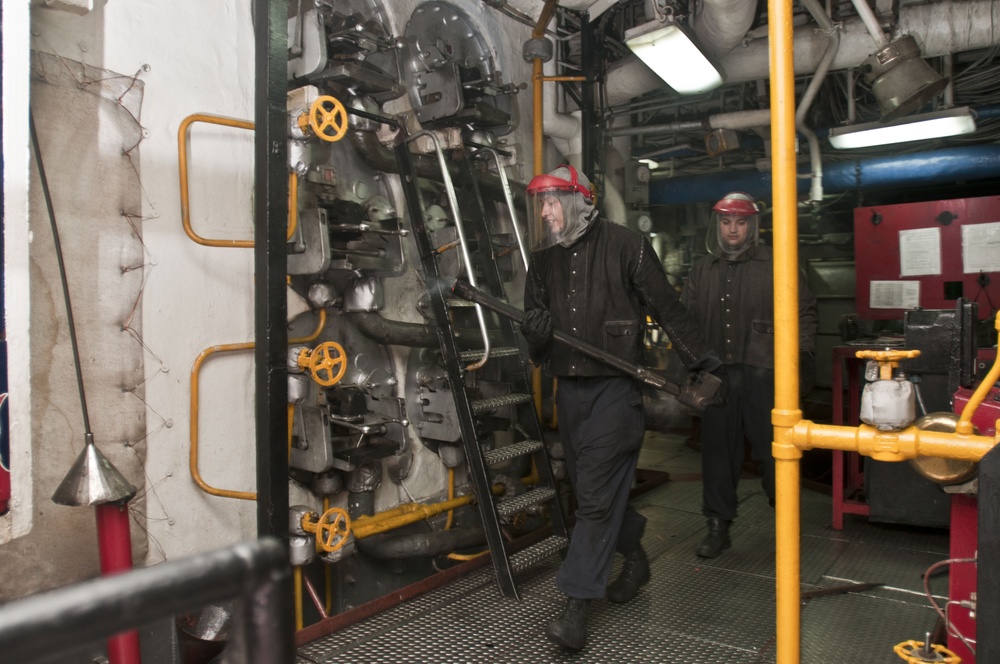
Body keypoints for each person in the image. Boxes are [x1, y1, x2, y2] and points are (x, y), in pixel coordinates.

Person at [520, 165, 724, 651]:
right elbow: (535, 341)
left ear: (576, 201)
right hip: (568, 392)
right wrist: (535, 335)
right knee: (589, 487)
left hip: (617, 389)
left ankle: (574, 608)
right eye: (542, 204)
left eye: (552, 202)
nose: (545, 213)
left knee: (591, 498)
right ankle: (634, 558)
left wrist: (703, 366)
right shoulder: (543, 262)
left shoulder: (626, 245)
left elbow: (668, 309)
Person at [680, 192, 818, 559]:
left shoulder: (778, 263)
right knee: (717, 455)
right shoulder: (702, 270)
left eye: (740, 222)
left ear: (752, 225)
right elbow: (686, 323)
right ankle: (717, 526)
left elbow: (804, 313)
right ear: (717, 225)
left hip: (765, 374)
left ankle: (787, 525)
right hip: (718, 377)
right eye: (726, 222)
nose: (733, 230)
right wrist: (690, 369)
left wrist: (798, 361)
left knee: (776, 453)